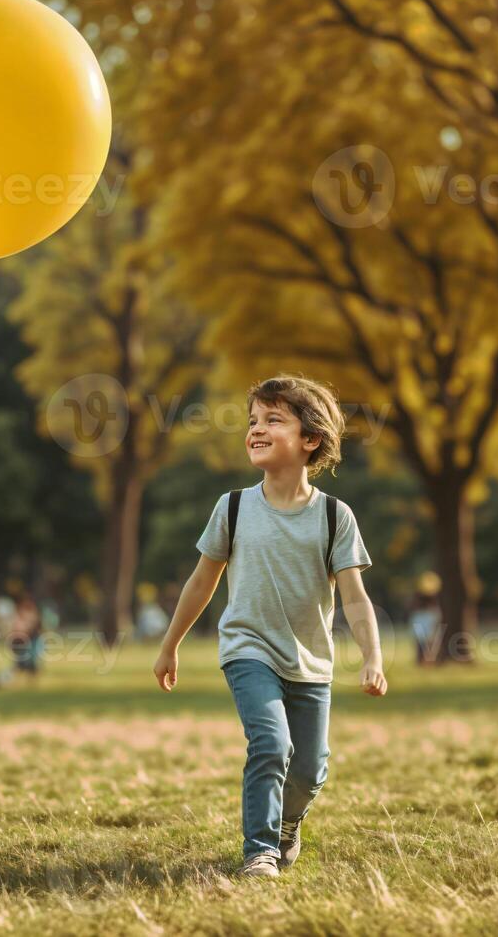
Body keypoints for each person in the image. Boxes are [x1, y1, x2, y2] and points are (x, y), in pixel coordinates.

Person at [152, 374, 386, 878]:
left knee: (311, 767)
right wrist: (170, 645)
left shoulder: (333, 517)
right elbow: (200, 583)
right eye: (253, 420)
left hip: (310, 661)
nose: (256, 429)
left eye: (273, 420)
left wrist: (372, 657)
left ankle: (285, 825)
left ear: (310, 439)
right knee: (271, 743)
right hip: (248, 649)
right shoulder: (232, 507)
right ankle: (259, 850)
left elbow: (355, 596)